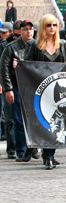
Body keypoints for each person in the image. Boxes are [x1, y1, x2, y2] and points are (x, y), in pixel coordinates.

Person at [24, 14, 66, 170]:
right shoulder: (33, 45)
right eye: (48, 25)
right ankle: (47, 155)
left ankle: (49, 155)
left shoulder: (62, 44)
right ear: (43, 27)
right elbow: (27, 66)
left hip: (57, 90)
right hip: (39, 89)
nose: (52, 28)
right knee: (44, 123)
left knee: (56, 123)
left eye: (54, 25)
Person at [0, 19, 33, 161]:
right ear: (19, 31)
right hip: (16, 87)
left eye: (31, 29)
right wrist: (8, 88)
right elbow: (4, 70)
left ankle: (33, 149)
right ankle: (19, 150)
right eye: (25, 29)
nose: (29, 32)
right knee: (16, 120)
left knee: (32, 121)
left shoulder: (36, 46)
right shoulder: (11, 48)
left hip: (32, 88)